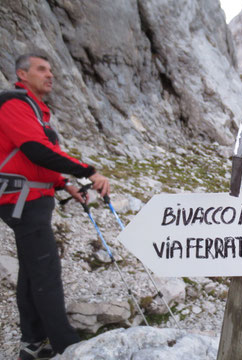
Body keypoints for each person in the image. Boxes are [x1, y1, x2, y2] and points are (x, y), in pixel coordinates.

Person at [0, 52, 110, 359]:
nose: (50, 75)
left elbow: (35, 159)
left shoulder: (36, 111)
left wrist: (65, 185)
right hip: (24, 202)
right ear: (22, 75)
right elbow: (35, 150)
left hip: (30, 198)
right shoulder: (14, 105)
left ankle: (31, 344)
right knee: (46, 272)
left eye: (51, 70)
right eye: (41, 69)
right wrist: (88, 171)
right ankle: (68, 347)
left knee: (32, 273)